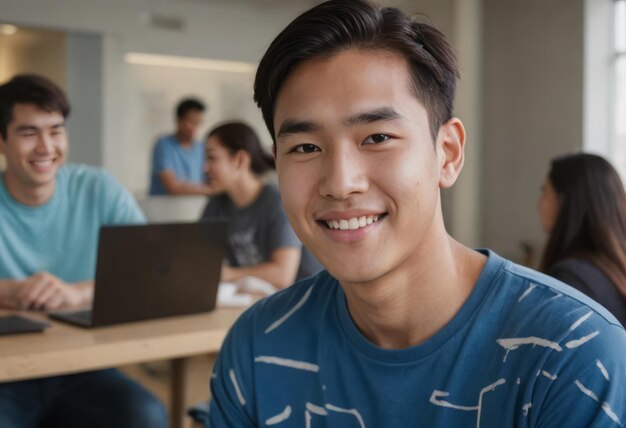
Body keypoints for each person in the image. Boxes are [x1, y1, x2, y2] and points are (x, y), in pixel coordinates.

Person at [207, 1, 626, 426]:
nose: (340, 182)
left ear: (447, 153)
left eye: (377, 137)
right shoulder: (257, 346)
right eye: (306, 147)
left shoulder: (573, 353)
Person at [0, 74, 167, 427]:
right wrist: (10, 291)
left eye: (56, 130)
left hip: (83, 367)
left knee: (146, 415)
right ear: (2, 140)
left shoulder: (98, 187)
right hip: (6, 374)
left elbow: (150, 271)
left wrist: (74, 292)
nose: (46, 146)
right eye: (29, 133)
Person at [201, 121, 321, 289]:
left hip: (302, 300)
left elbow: (282, 275)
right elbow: (201, 261)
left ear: (239, 159)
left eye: (212, 158)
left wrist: (227, 274)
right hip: (255, 299)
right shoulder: (216, 206)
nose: (205, 168)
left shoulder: (278, 202)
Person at [538, 153, 626, 326]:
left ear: (564, 202)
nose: (538, 204)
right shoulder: (611, 271)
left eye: (544, 193)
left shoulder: (570, 280)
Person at [149, 97, 212, 195]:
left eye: (198, 122)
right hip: (164, 208)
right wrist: (212, 190)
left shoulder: (201, 147)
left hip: (193, 207)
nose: (195, 127)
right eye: (191, 122)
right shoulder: (164, 145)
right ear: (178, 121)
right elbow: (172, 188)